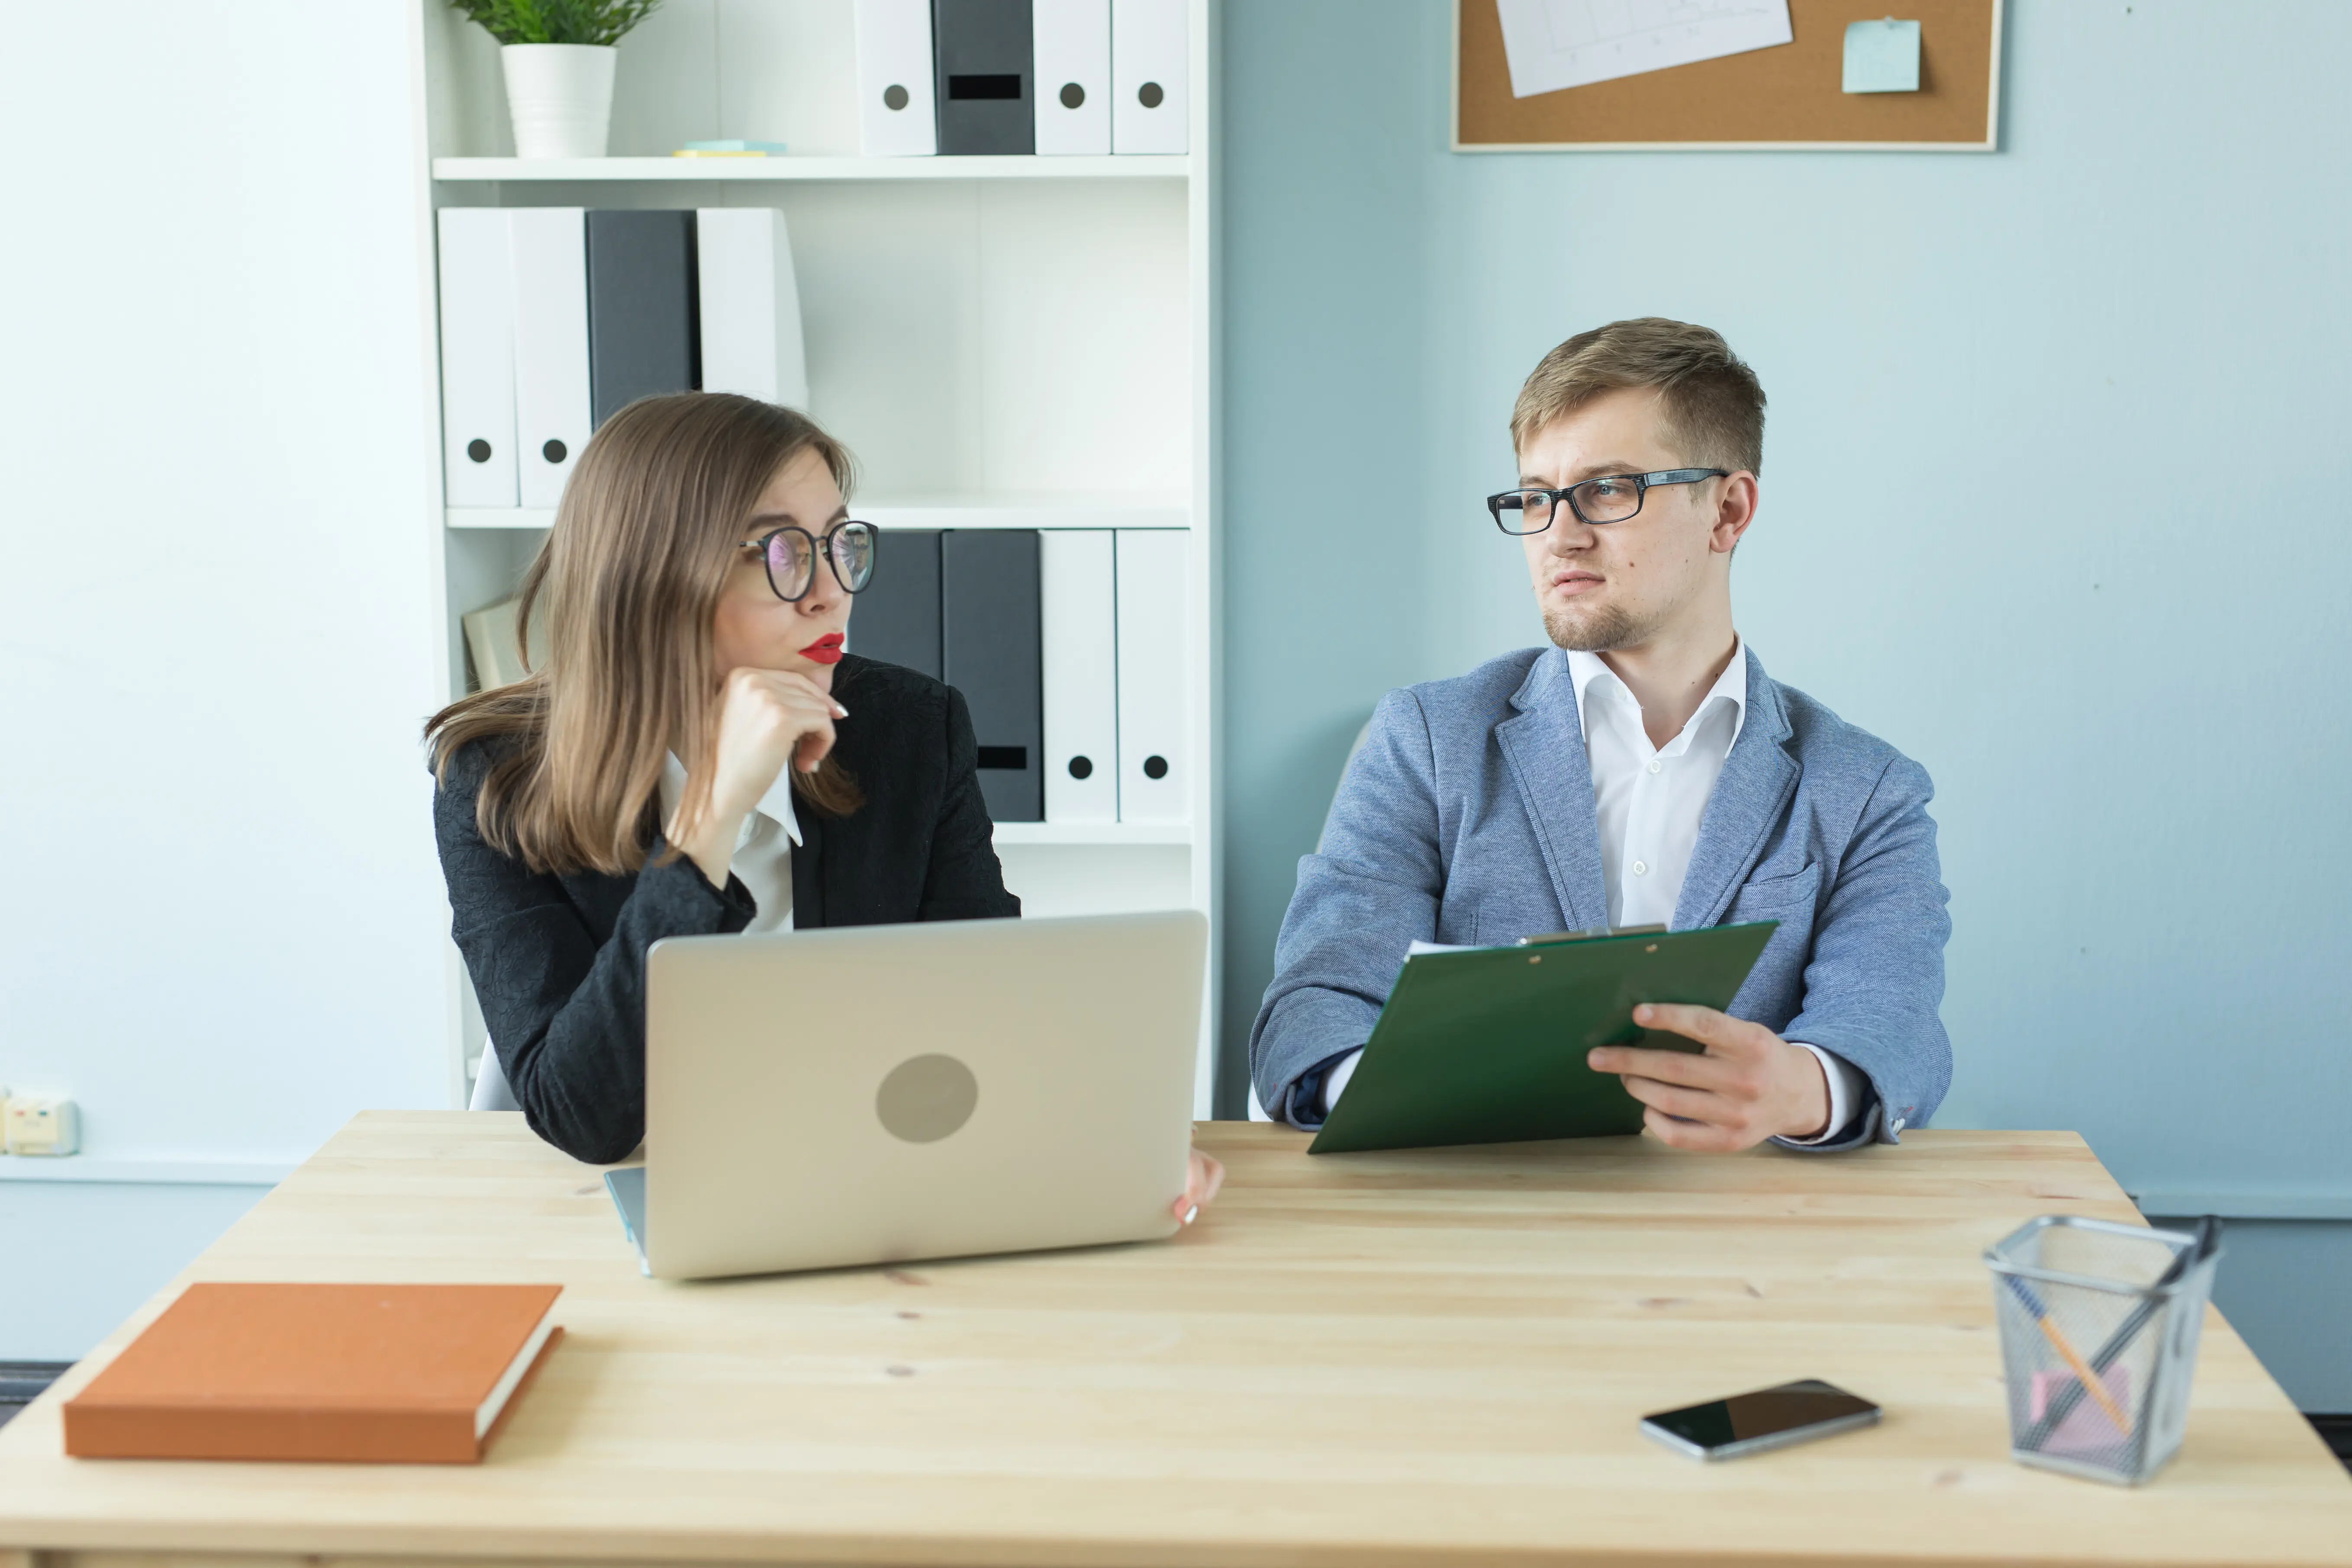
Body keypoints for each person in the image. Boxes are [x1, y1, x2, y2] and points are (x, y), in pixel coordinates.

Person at [429, 393, 1224, 1215]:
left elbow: (983, 999)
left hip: (861, 1187)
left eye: (841, 544)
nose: (830, 593)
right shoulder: (495, 780)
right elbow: (584, 1117)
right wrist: (714, 811)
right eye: (782, 551)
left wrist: (1100, 1128)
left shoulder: (911, 729)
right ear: (650, 578)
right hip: (619, 1208)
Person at [1250, 319, 1950, 1152]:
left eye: (1609, 490)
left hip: (1748, 1241)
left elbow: (1896, 1025)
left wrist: (1803, 1085)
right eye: (1535, 496)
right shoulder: (1427, 741)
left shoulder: (1867, 789)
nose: (1558, 534)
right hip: (1474, 1226)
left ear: (1727, 510)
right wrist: (1400, 1083)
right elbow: (1310, 1007)